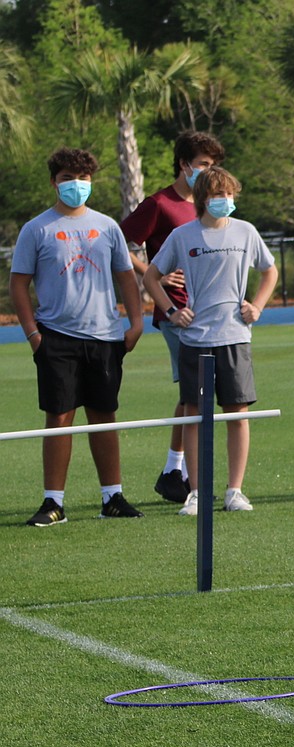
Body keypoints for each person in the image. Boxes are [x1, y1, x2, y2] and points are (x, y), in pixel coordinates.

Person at [9, 147, 144, 526]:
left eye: (83, 178)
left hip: (105, 336)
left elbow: (126, 277)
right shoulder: (37, 228)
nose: (76, 185)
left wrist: (136, 323)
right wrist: (34, 335)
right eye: (68, 178)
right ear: (54, 182)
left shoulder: (107, 226)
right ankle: (53, 503)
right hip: (55, 337)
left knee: (104, 416)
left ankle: (112, 497)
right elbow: (18, 284)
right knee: (59, 417)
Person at [142, 167, 278, 515]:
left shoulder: (246, 231)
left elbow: (270, 270)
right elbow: (152, 277)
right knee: (194, 415)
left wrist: (257, 306)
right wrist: (172, 311)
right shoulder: (182, 235)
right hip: (196, 339)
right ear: (204, 198)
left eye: (230, 194)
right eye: (219, 194)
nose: (226, 200)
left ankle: (235, 491)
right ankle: (196, 492)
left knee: (238, 414)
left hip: (235, 337)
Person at [120, 130, 225, 503]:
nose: (209, 171)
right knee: (195, 392)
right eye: (203, 164)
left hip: (208, 314)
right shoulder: (159, 204)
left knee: (195, 392)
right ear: (184, 165)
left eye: (214, 165)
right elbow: (118, 242)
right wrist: (153, 274)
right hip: (175, 312)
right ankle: (175, 473)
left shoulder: (209, 204)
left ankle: (173, 471)